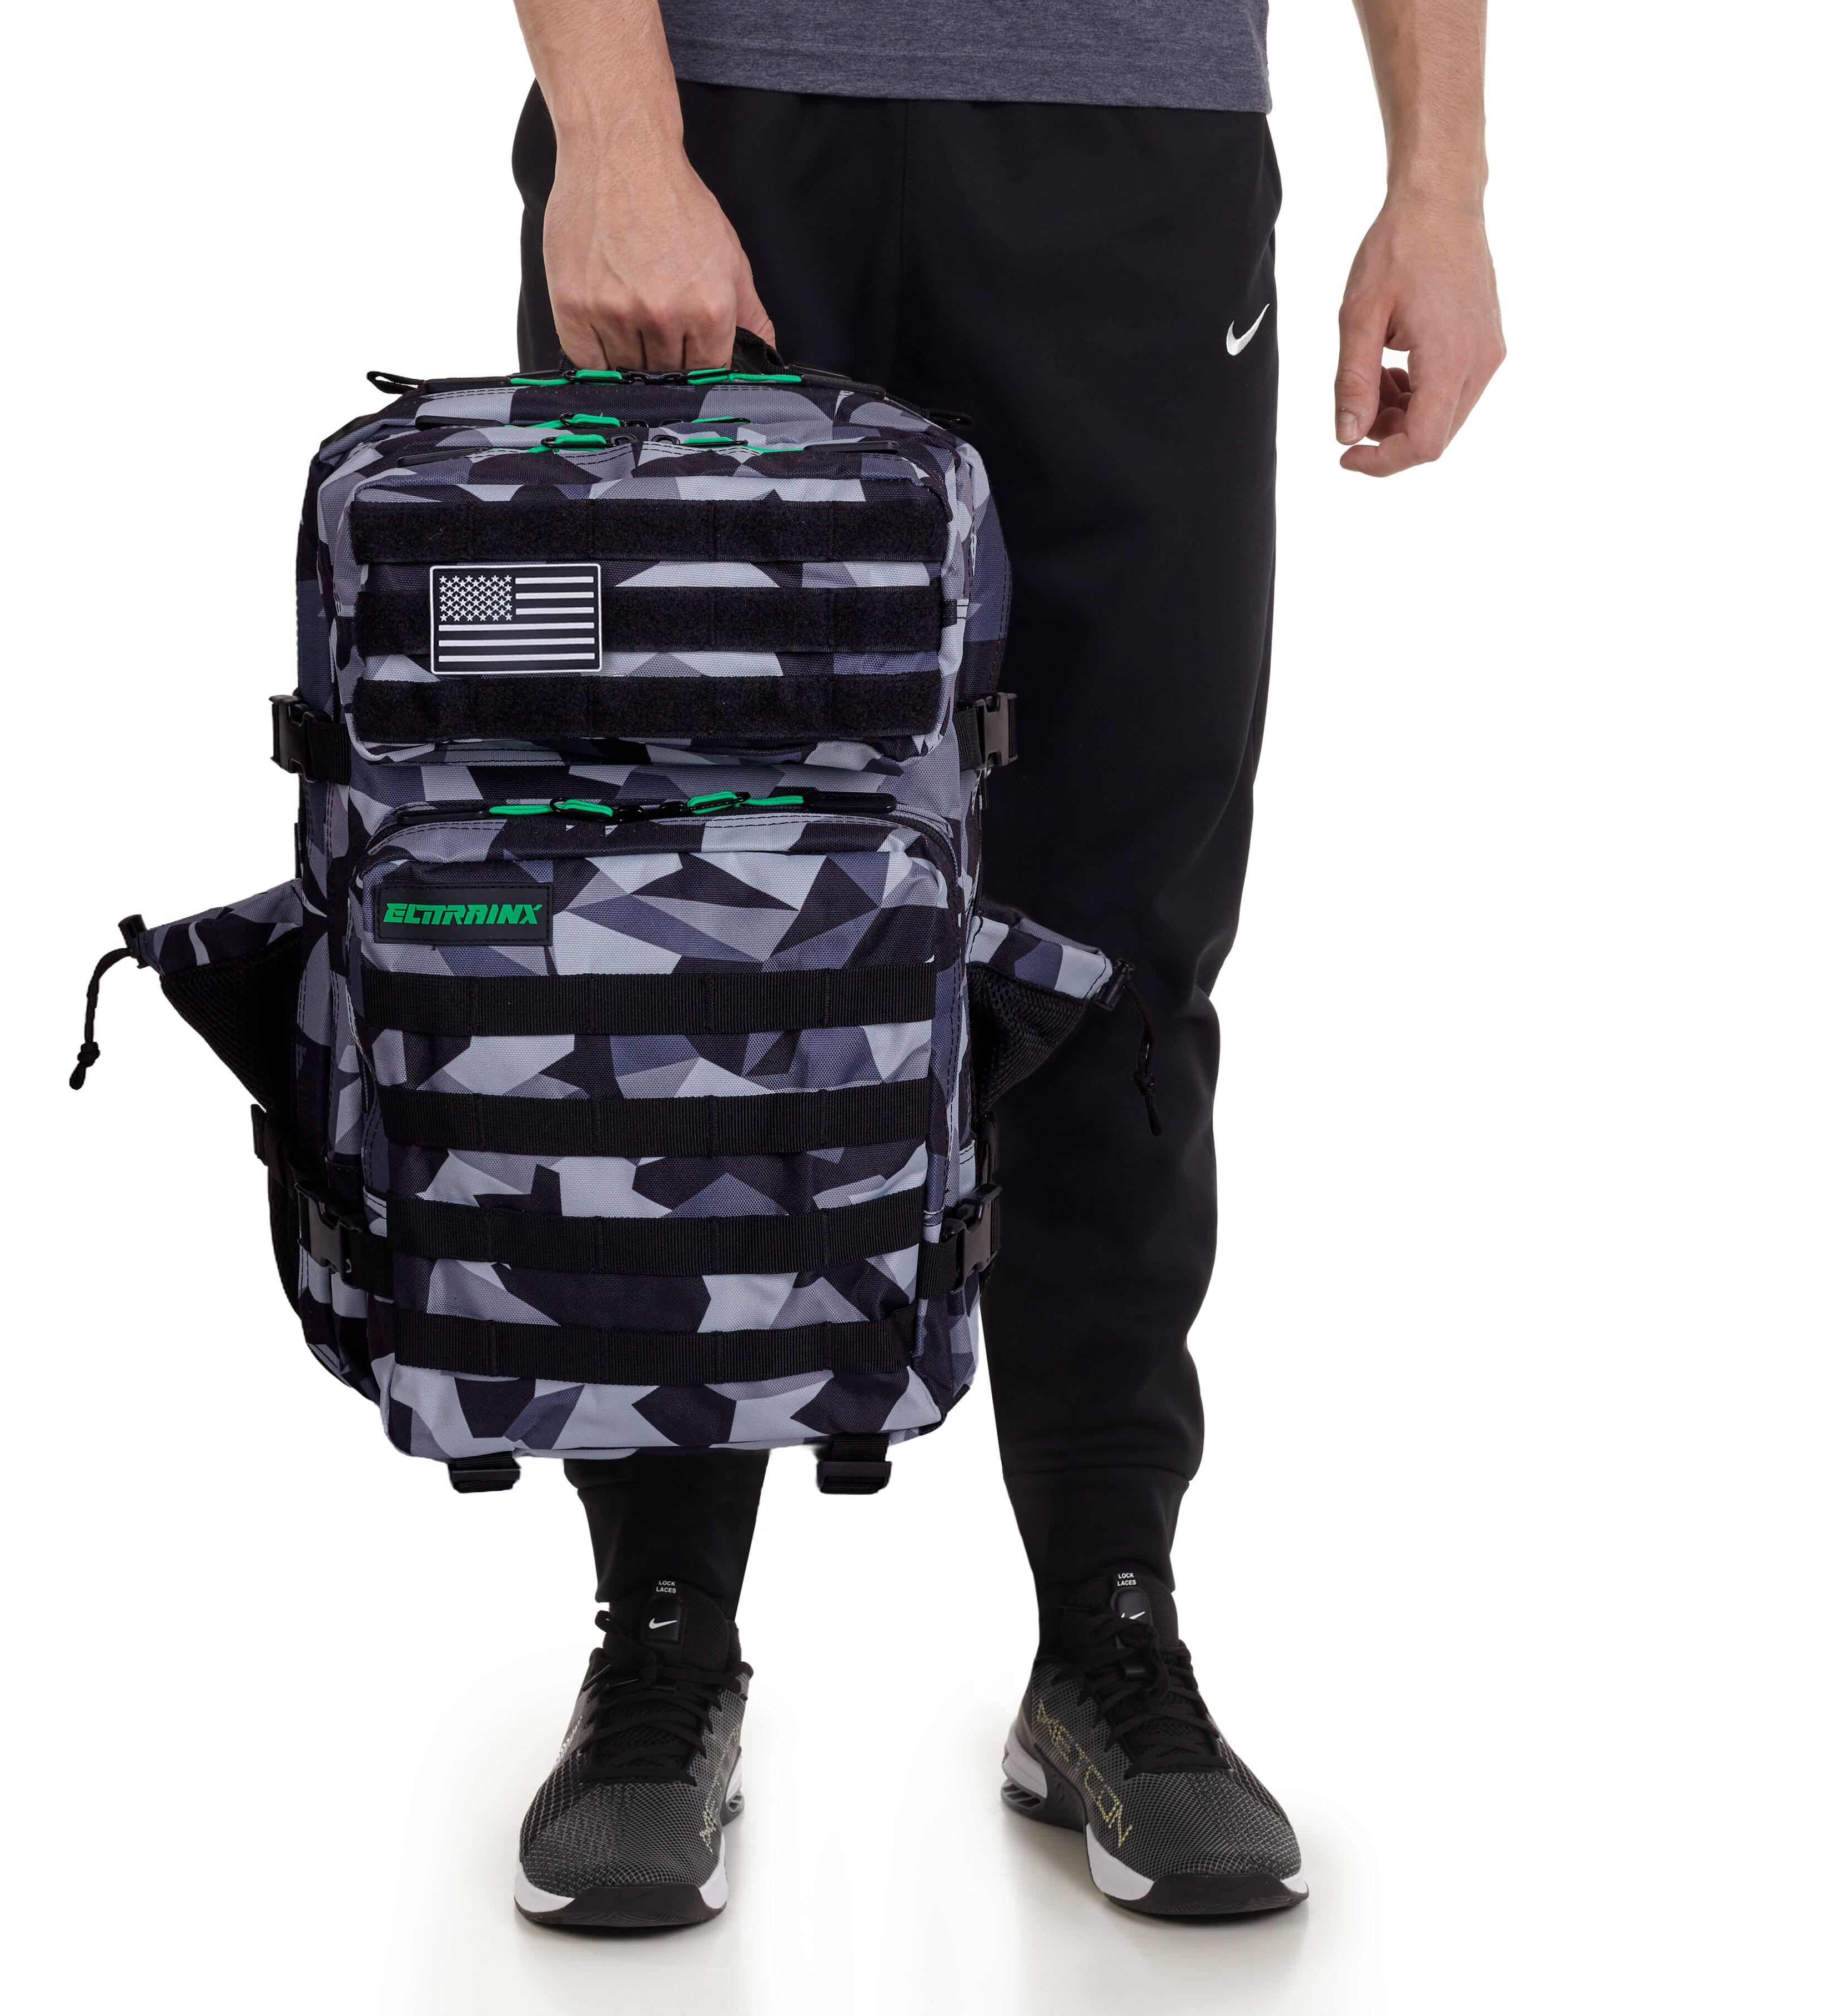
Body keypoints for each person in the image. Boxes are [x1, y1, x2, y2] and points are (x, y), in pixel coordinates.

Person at [504, 0, 1504, 1929]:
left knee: (1124, 933)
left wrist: (1441, 186)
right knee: (672, 912)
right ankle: (662, 1636)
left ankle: (1110, 1628)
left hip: (1139, 146)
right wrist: (614, 136)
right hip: (730, 121)